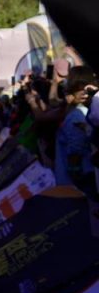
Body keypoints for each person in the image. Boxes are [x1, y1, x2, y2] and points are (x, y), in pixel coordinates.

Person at [54, 66, 97, 197]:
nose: (84, 92)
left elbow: (75, 152)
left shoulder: (77, 115)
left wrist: (75, 176)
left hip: (78, 182)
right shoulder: (90, 111)